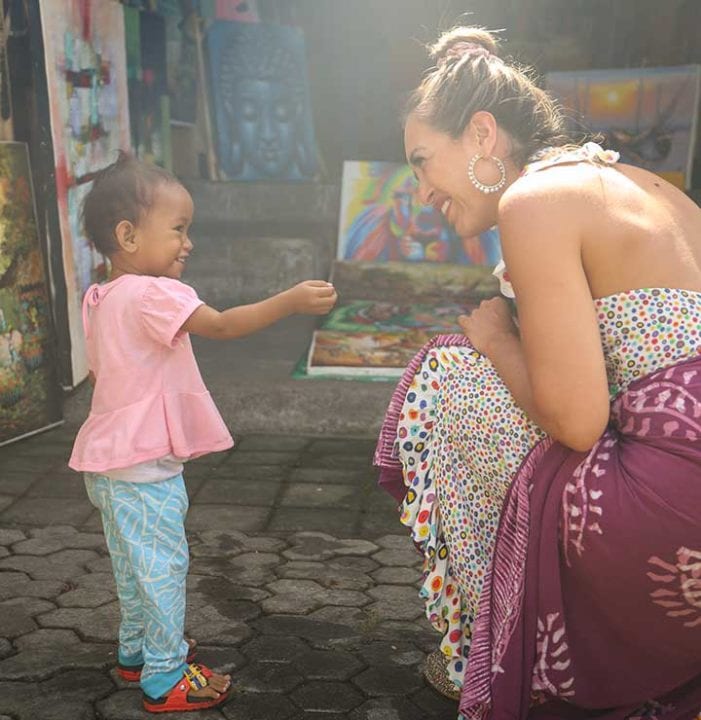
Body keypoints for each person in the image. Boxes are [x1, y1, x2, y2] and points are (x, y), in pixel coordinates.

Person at [375, 26, 701, 720]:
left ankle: (500, 658)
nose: (420, 186)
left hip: (670, 522)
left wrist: (495, 341)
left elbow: (579, 422)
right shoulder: (643, 187)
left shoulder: (536, 202)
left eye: (422, 159)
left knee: (446, 375)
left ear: (483, 134)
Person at [68, 153, 337, 713]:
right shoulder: (153, 293)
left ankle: (137, 652)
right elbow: (221, 325)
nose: (188, 242)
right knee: (164, 567)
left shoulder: (101, 297)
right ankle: (165, 678)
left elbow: (103, 373)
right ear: (128, 234)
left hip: (107, 465)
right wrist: (289, 302)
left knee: (133, 566)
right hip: (145, 469)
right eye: (178, 229)